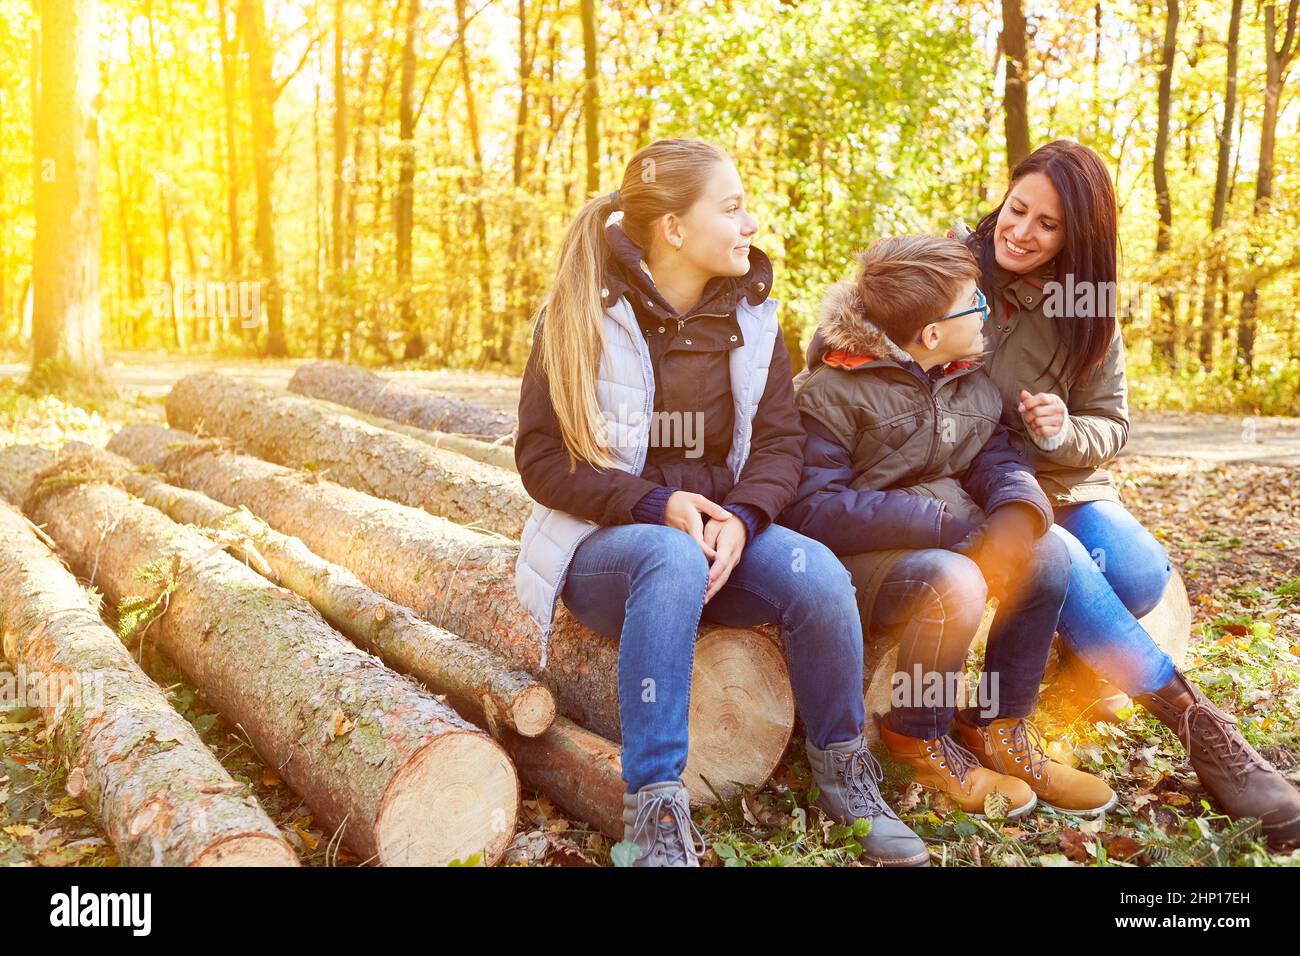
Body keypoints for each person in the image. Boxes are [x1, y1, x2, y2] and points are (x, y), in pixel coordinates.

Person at [513, 138, 928, 866]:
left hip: (722, 540)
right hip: (608, 547)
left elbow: (778, 447)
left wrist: (744, 517)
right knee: (671, 555)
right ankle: (654, 816)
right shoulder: (577, 314)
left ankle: (844, 776)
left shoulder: (756, 323)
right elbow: (542, 462)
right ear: (674, 228)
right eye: (732, 209)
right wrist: (653, 504)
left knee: (820, 573)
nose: (751, 225)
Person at [959, 139, 1300, 847]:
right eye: (1016, 210)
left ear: (1078, 237)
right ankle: (1204, 733)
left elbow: (1112, 427)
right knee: (1062, 556)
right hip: (978, 484)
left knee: (1140, 570)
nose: (1020, 232)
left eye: (1046, 225)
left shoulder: (1091, 309)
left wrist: (1062, 431)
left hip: (1064, 481)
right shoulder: (952, 272)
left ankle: (1064, 648)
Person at [783, 234, 1116, 818]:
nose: (987, 311)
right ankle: (919, 734)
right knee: (954, 579)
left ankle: (998, 725)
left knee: (1049, 557)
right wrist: (937, 524)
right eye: (975, 304)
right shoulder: (832, 393)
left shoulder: (970, 381)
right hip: (863, 563)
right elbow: (814, 508)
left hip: (945, 540)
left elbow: (996, 458)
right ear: (931, 334)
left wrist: (1016, 510)